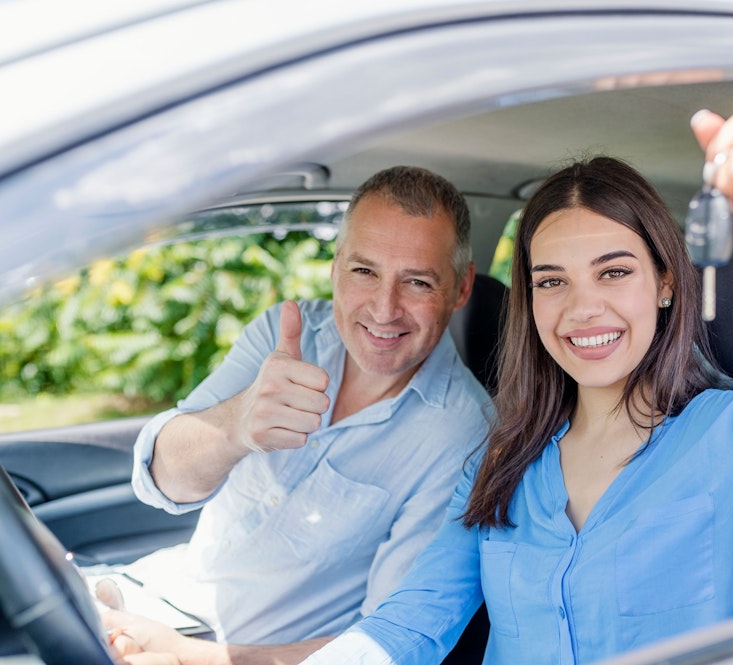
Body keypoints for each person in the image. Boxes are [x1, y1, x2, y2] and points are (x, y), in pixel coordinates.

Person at [108, 108, 733, 665]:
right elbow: (407, 633)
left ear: (667, 283)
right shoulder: (503, 463)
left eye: (614, 271)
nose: (582, 308)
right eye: (551, 279)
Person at [108, 165, 493, 655]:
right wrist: (236, 424)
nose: (384, 308)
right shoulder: (284, 334)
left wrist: (186, 656)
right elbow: (162, 480)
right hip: (152, 592)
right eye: (364, 271)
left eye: (417, 282)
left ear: (461, 288)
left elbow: (386, 644)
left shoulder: (465, 437)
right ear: (335, 269)